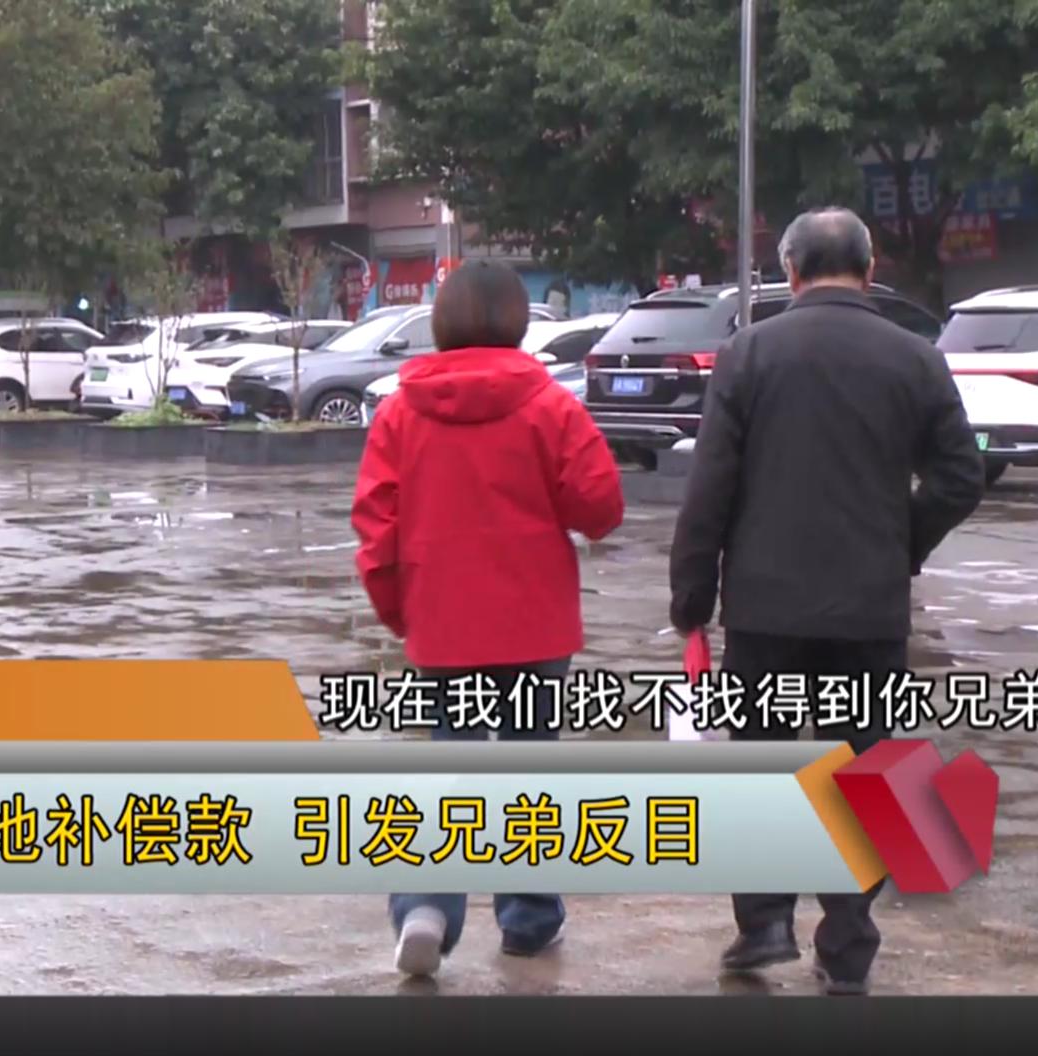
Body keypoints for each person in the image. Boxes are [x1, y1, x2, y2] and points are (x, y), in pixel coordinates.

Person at [668, 207, 985, 995]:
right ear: (871, 270)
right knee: (866, 771)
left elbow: (710, 488)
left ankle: (764, 926)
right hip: (869, 610)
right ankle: (847, 946)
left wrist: (691, 600)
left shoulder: (749, 353)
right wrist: (901, 543)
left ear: (791, 271)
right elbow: (960, 476)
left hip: (765, 609)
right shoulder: (915, 358)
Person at [351, 260, 625, 979]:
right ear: (517, 320)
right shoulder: (550, 406)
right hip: (537, 622)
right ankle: (528, 921)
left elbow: (376, 524)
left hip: (443, 622)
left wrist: (400, 610)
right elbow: (600, 506)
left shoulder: (401, 412)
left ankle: (426, 906)